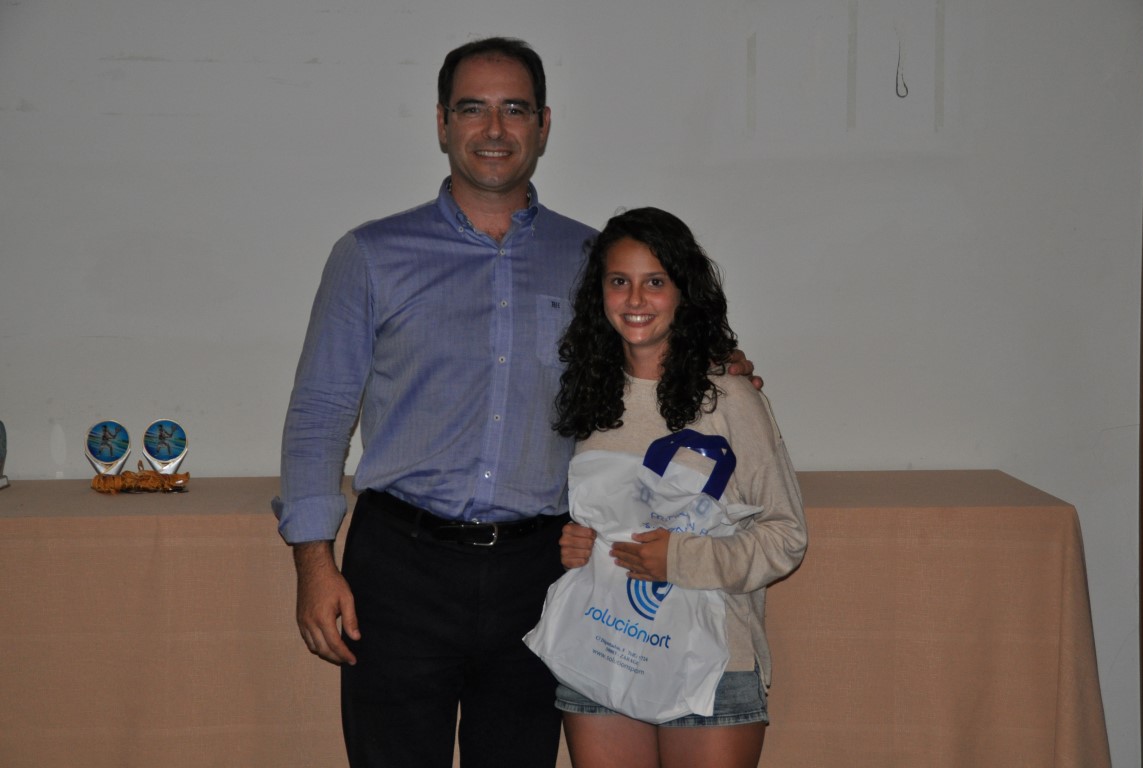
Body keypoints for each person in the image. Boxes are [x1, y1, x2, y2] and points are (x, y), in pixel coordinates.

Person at [273, 38, 758, 768]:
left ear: (543, 124)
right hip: (399, 571)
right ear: (442, 122)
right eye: (473, 108)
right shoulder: (370, 256)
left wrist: (720, 365)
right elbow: (319, 414)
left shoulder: (595, 262)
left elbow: (651, 359)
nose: (494, 129)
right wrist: (314, 565)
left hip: (542, 571)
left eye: (515, 109)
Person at [551, 207, 808, 768]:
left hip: (711, 663)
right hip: (601, 651)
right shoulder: (587, 394)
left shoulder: (731, 397)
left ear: (684, 292)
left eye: (655, 282)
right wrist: (575, 543)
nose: (635, 299)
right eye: (619, 281)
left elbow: (786, 536)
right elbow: (602, 516)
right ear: (599, 293)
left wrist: (683, 559)